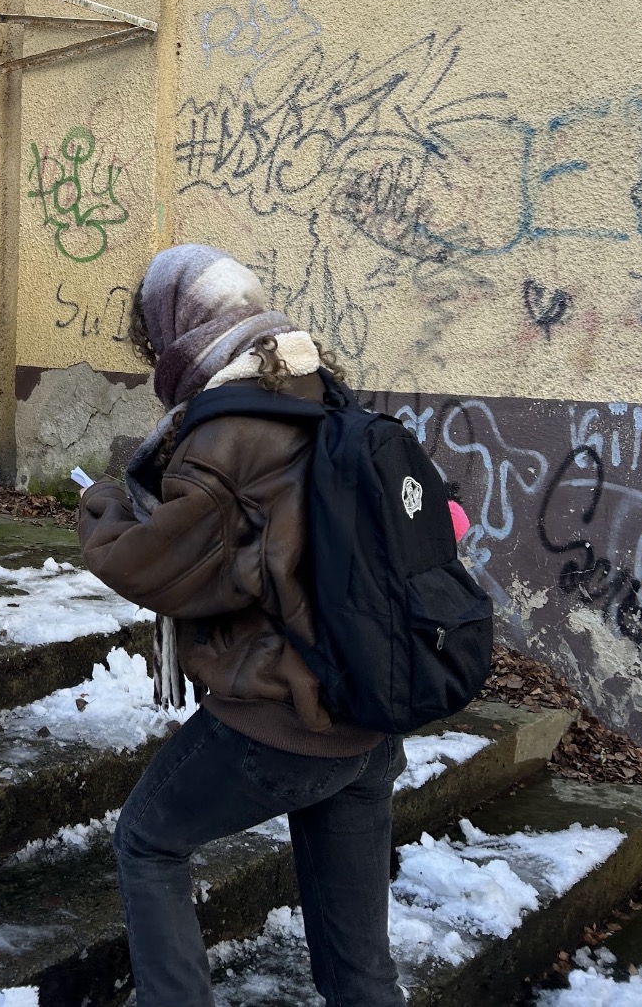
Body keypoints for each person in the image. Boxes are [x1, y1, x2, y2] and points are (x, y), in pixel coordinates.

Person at [78, 244, 406, 1007]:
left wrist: (104, 508)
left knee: (147, 841)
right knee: (359, 976)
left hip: (283, 717)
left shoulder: (226, 428)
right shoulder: (315, 386)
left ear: (173, 324)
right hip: (367, 709)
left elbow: (157, 565)